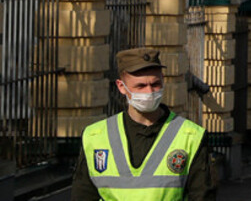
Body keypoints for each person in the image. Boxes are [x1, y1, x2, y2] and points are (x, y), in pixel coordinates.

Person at [72, 47, 217, 200]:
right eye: (140, 86)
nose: (149, 92)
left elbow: (202, 195)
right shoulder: (95, 136)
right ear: (121, 86)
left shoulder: (191, 136)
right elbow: (83, 195)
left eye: (155, 84)